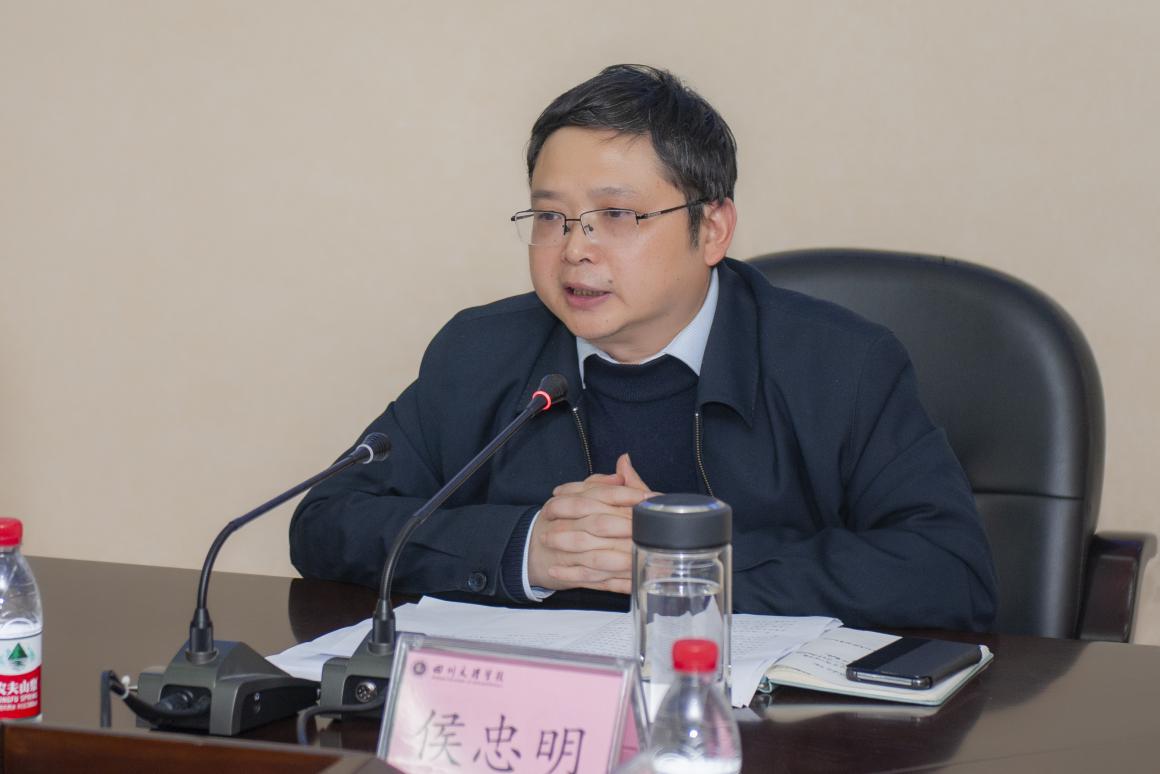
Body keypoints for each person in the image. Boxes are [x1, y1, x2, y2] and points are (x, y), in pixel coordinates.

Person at [290, 64, 997, 630]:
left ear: (712, 229)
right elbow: (326, 523)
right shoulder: (479, 352)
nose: (575, 249)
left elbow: (951, 574)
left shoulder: (841, 365)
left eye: (618, 215)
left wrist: (681, 562)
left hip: (770, 734)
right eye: (550, 217)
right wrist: (525, 548)